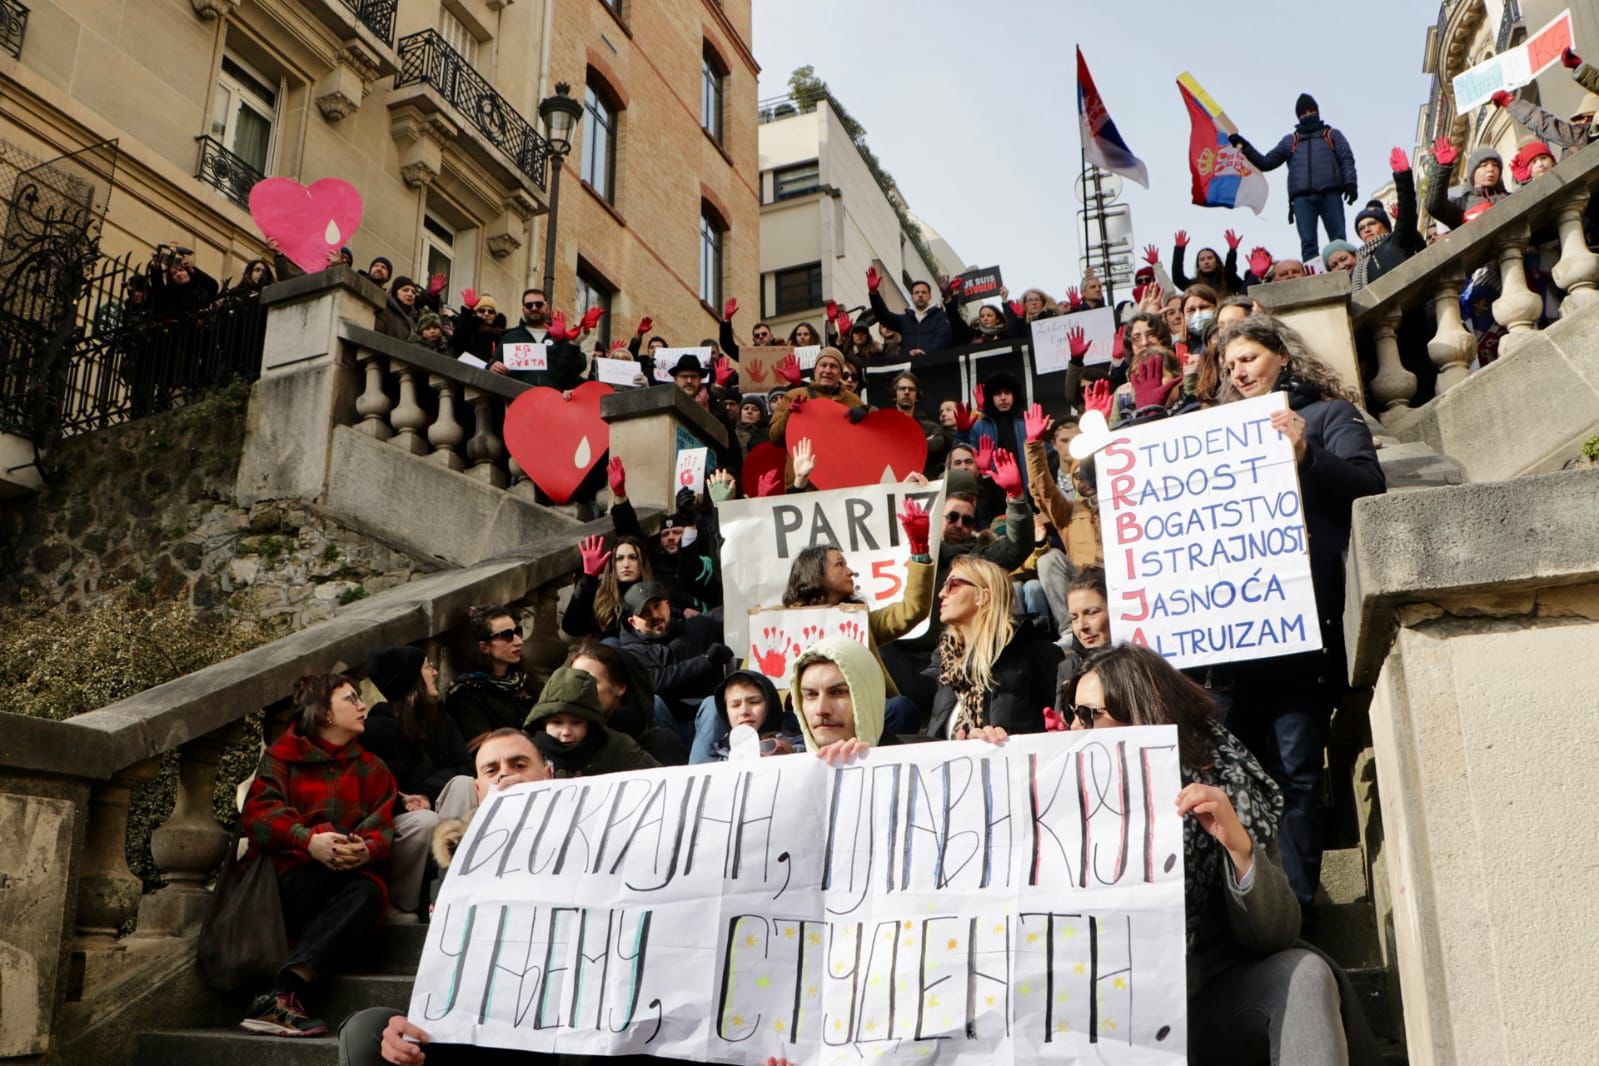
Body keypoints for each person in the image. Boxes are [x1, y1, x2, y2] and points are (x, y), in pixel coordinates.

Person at [1065, 644, 1379, 1065]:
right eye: (1072, 712)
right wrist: (986, 760)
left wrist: (1239, 847)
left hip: (1206, 998)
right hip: (1106, 1008)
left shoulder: (1224, 782)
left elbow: (1276, 934)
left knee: (1303, 973)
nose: (1074, 726)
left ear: (1139, 713)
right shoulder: (1053, 791)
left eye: (1088, 714)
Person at [1217, 315, 1385, 911]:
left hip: (1302, 631)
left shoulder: (1330, 416)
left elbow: (1370, 487)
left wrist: (1306, 453)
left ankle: (1294, 910)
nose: (1239, 372)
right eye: (1230, 365)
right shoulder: (1218, 435)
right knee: (1232, 777)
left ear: (1282, 357)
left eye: (1248, 358)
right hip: (1233, 643)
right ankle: (1245, 908)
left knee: (1295, 773)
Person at [337, 730, 551, 1066]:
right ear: (479, 790)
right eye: (492, 770)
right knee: (369, 1030)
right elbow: (447, 969)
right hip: (480, 1024)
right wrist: (409, 1022)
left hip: (567, 1028)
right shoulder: (457, 863)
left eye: (519, 765)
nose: (506, 776)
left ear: (548, 775)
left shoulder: (602, 848)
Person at [238, 672, 396, 1037]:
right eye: (351, 699)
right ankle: (281, 996)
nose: (362, 706)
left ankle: (285, 991)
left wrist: (364, 850)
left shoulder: (373, 767)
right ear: (324, 713)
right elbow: (259, 815)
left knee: (370, 892)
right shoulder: (281, 758)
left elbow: (383, 826)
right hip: (284, 883)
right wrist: (309, 841)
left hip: (343, 881)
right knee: (337, 851)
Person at [774, 499, 932, 730]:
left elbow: (913, 609)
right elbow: (756, 682)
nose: (851, 572)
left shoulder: (860, 621)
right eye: (840, 565)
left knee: (901, 709)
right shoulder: (776, 625)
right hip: (806, 720)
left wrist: (919, 552)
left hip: (861, 718)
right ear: (814, 573)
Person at [358, 646, 474, 920]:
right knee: (424, 821)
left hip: (438, 808)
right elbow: (369, 790)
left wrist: (426, 793)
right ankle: (401, 905)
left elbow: (464, 765)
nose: (434, 672)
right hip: (400, 822)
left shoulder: (440, 720)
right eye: (426, 666)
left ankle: (457, 885)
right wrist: (404, 801)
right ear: (411, 677)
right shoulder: (374, 730)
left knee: (464, 784)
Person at [925, 555, 1061, 738]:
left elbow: (1055, 736)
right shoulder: (947, 664)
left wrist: (989, 744)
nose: (942, 593)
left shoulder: (1037, 654)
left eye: (953, 585)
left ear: (983, 596)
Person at [1231, 94, 1358, 262]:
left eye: (1311, 111)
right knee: (1308, 243)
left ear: (1318, 111)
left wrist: (1350, 183)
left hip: (1330, 193)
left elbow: (1346, 158)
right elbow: (1266, 162)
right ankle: (1312, 273)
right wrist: (1245, 146)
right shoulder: (1290, 141)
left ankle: (1345, 269)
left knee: (1338, 240)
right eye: (1303, 113)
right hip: (1302, 199)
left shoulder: (1332, 134)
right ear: (1298, 116)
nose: (1308, 114)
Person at [566, 638, 687, 766]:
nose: (579, 688)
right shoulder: (563, 740)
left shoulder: (660, 743)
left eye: (590, 681)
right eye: (575, 681)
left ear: (619, 687)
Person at [526, 666, 660, 777]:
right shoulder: (527, 750)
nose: (566, 732)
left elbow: (656, 779)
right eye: (557, 723)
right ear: (543, 723)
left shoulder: (619, 746)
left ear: (590, 723)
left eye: (576, 723)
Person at [790, 635, 900, 758]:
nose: (821, 709)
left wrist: (871, 761)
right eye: (811, 694)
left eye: (837, 692)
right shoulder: (783, 765)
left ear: (869, 697)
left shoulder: (912, 764)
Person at [446, 606, 534, 742]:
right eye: (507, 636)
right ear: (484, 647)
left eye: (518, 632)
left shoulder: (522, 678)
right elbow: (484, 745)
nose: (518, 642)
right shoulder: (467, 694)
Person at [1491, 47, 1599, 158]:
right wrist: (1580, 68)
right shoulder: (1578, 138)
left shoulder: (1578, 137)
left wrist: (1509, 102)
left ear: (1586, 118)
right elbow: (1544, 123)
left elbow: (1545, 123)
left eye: (1579, 119)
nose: (1575, 124)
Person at [1350, 148, 1424, 291]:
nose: (1366, 229)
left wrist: (1403, 177)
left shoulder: (1396, 241)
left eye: (1372, 223)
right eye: (1361, 228)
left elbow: (1408, 211)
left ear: (1385, 225)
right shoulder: (1358, 268)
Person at [496, 287, 587, 388]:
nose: (534, 308)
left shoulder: (561, 336)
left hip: (554, 396)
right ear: (523, 310)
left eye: (539, 304)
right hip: (518, 395)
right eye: (529, 305)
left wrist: (566, 341)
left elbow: (579, 367)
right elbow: (492, 367)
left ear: (546, 307)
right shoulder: (510, 337)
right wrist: (493, 367)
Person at [866, 267, 951, 356]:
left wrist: (926, 353)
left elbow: (942, 340)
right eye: (917, 292)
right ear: (912, 297)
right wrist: (873, 293)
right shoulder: (905, 320)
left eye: (924, 292)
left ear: (930, 296)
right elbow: (884, 317)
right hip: (909, 363)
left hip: (932, 362)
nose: (920, 295)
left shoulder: (940, 317)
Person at [1426, 137, 1508, 229]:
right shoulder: (1461, 204)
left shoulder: (1508, 197)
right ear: (1472, 173)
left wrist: (1520, 182)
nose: (1491, 169)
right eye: (1484, 165)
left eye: (1495, 165)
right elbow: (1435, 207)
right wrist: (1443, 168)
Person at [373, 277, 420, 341]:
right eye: (405, 290)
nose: (410, 294)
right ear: (395, 293)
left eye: (413, 292)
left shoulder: (413, 322)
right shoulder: (384, 313)